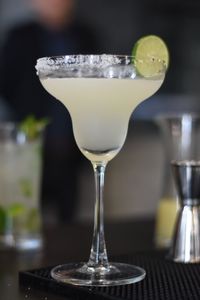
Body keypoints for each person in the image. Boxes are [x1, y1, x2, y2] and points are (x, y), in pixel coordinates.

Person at [0, 0, 99, 223]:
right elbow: (5, 83)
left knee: (69, 218)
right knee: (26, 212)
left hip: (70, 146)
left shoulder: (86, 34)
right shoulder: (19, 36)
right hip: (32, 142)